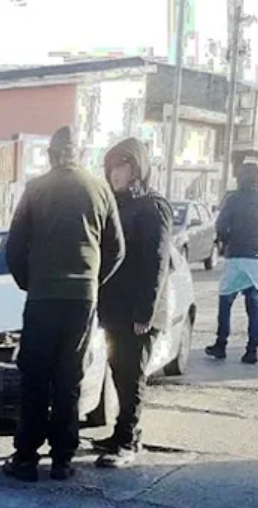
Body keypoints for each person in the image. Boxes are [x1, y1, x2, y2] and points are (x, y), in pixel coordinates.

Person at [4, 126, 125, 482]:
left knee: (35, 377)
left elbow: (14, 248)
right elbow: (117, 249)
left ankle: (26, 459)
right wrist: (91, 282)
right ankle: (62, 460)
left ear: (50, 154)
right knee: (68, 377)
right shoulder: (99, 189)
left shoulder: (36, 189)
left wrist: (30, 282)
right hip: (80, 300)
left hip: (43, 298)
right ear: (80, 152)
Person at [95, 138, 173, 469]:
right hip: (115, 308)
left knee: (131, 375)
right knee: (117, 372)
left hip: (139, 311)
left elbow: (156, 262)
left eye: (123, 167)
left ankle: (128, 440)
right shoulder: (118, 204)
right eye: (112, 166)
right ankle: (119, 432)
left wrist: (145, 312)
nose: (116, 174)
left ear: (137, 169)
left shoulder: (152, 207)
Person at [206, 163, 258, 364]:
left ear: (240, 178)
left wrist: (226, 241)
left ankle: (221, 344)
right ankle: (252, 350)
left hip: (237, 255)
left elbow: (220, 226)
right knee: (253, 305)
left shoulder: (233, 199)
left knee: (225, 301)